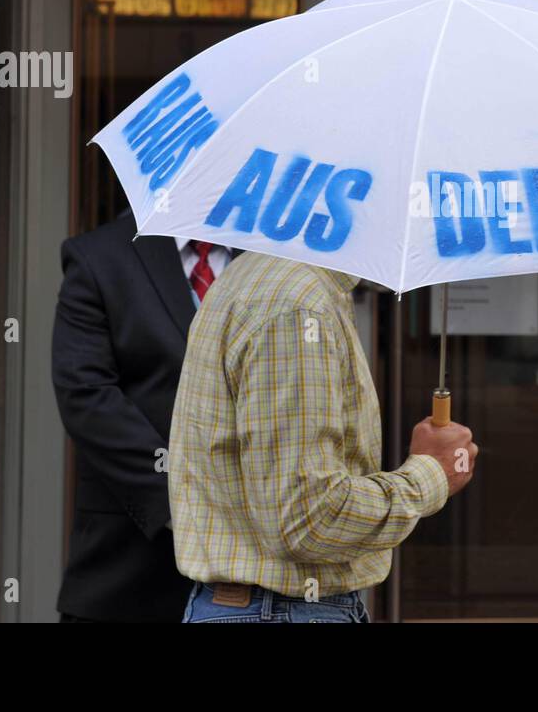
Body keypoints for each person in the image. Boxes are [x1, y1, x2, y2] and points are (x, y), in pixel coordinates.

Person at [170, 251, 477, 623]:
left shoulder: (271, 280)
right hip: (282, 611)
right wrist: (430, 475)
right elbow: (308, 518)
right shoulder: (297, 306)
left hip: (268, 608)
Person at [52, 208, 231, 622]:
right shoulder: (100, 255)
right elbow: (86, 395)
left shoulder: (273, 258)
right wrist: (185, 503)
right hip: (128, 570)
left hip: (257, 583)